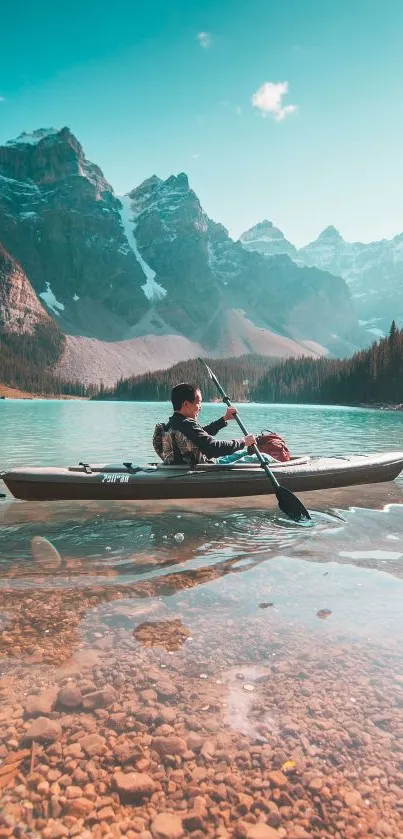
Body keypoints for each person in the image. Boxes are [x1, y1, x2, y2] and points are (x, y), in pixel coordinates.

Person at [153, 382, 256, 467]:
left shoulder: (171, 425)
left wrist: (224, 419)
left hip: (182, 470)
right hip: (204, 470)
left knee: (243, 453)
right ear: (186, 404)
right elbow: (213, 448)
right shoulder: (187, 425)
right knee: (265, 457)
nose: (200, 407)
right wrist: (243, 442)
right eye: (199, 402)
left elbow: (199, 436)